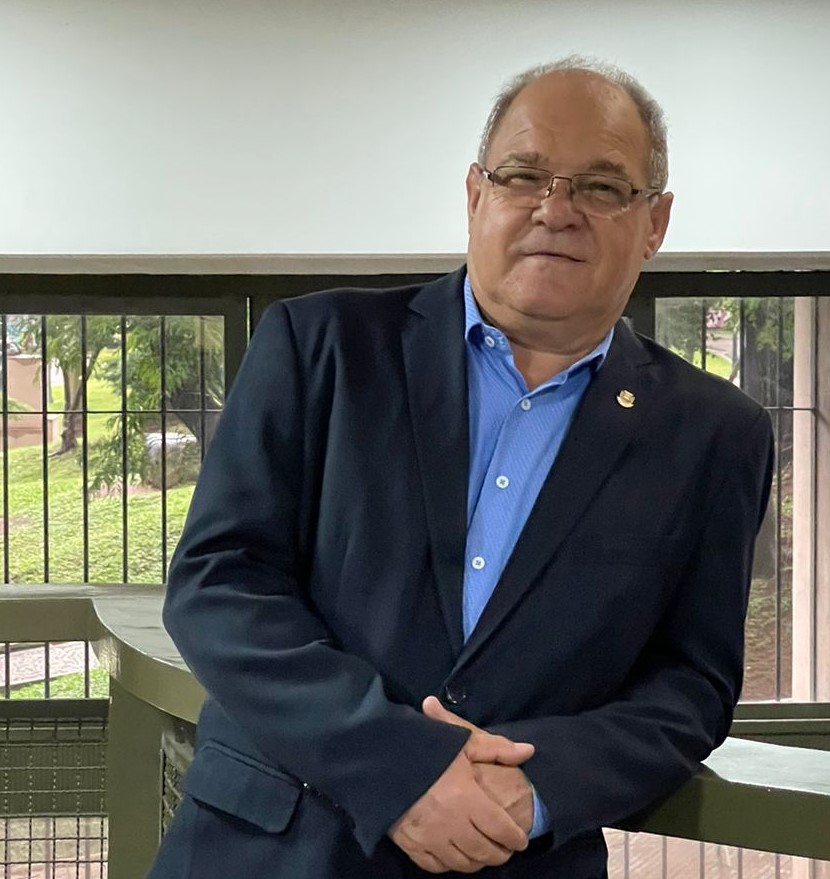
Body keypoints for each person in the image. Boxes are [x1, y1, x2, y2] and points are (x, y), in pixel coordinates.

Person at [148, 57, 774, 879]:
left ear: (655, 221)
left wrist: (538, 787)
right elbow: (220, 584)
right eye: (524, 175)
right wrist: (402, 764)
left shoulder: (715, 433)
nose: (556, 209)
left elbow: (689, 686)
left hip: (512, 854)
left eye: (601, 186)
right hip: (266, 851)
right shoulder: (320, 347)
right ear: (477, 193)